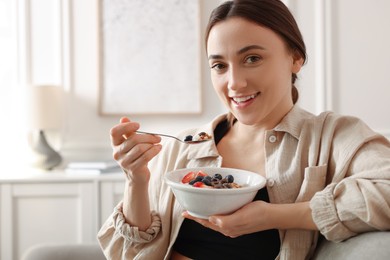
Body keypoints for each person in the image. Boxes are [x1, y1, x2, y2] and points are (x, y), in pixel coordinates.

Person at [97, 0, 390, 259]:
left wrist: (276, 217)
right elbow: (129, 254)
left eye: (252, 59)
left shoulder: (332, 136)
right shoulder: (183, 147)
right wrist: (136, 180)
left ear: (295, 58)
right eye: (220, 66)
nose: (234, 83)